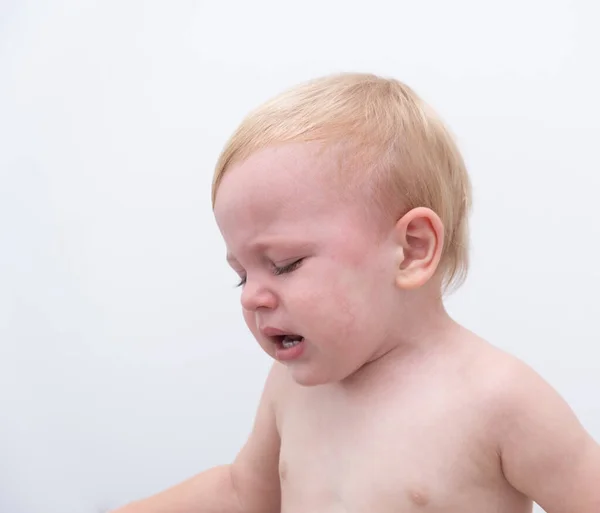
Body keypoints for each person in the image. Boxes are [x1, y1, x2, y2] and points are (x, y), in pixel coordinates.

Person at [114, 73, 600, 513]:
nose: (252, 297)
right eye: (242, 274)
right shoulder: (290, 387)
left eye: (284, 264)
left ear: (410, 250)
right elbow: (244, 493)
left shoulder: (499, 398)